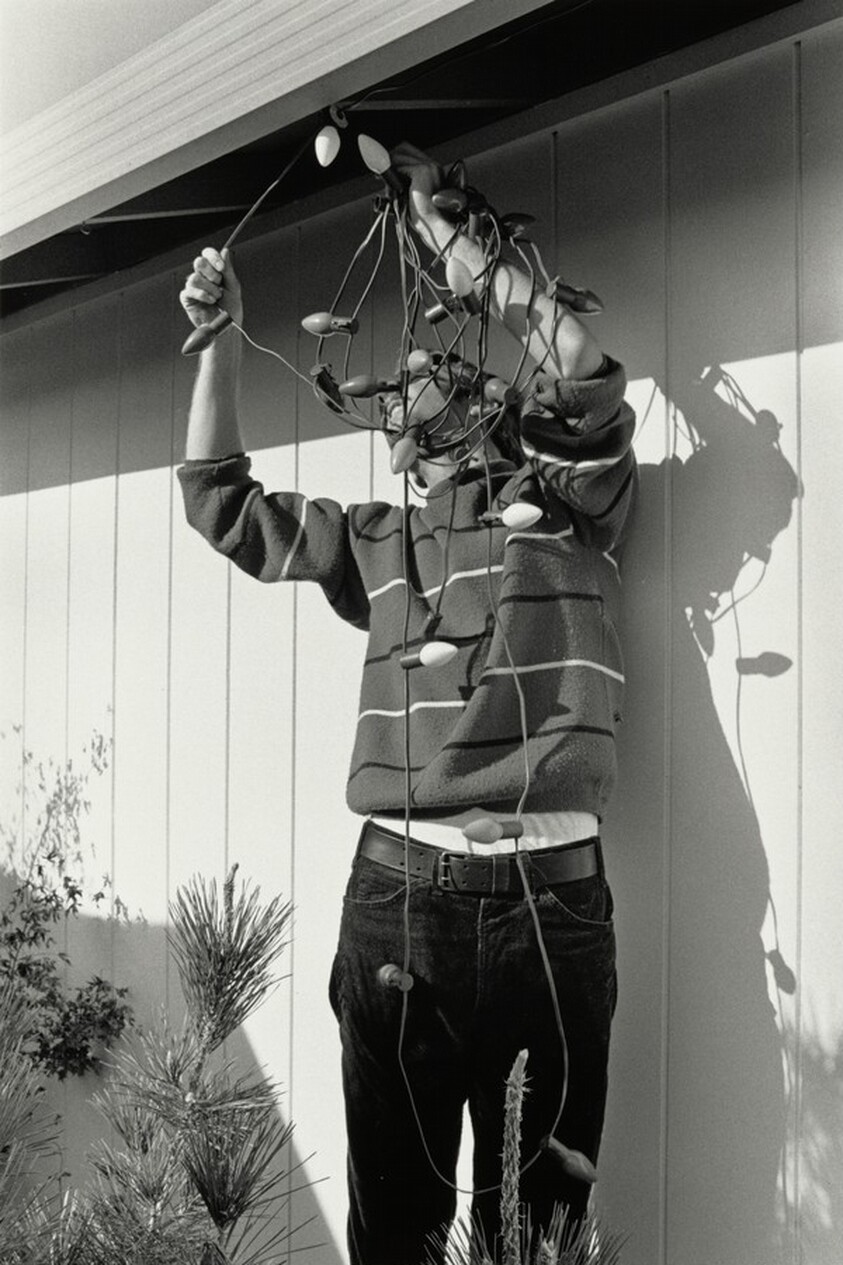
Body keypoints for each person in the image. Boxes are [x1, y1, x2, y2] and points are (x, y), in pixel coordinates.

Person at [178, 142, 637, 1265]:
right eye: (385, 393)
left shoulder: (567, 501)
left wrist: (447, 240)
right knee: (397, 1237)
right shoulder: (377, 539)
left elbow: (574, 353)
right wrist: (217, 343)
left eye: (423, 374)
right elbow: (220, 505)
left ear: (483, 396)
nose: (394, 402)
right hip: (401, 900)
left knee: (540, 1239)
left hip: (551, 906)